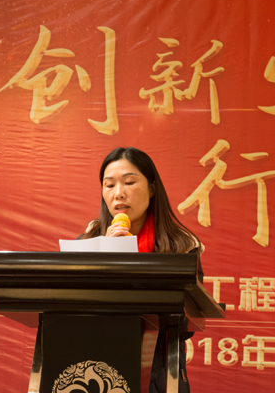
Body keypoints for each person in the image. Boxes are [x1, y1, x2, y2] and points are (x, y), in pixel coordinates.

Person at [82, 147, 203, 393]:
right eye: (109, 185)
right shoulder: (89, 242)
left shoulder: (181, 247)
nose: (118, 193)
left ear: (152, 188)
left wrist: (131, 261)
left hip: (158, 375)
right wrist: (106, 256)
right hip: (94, 372)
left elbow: (186, 323)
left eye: (129, 182)